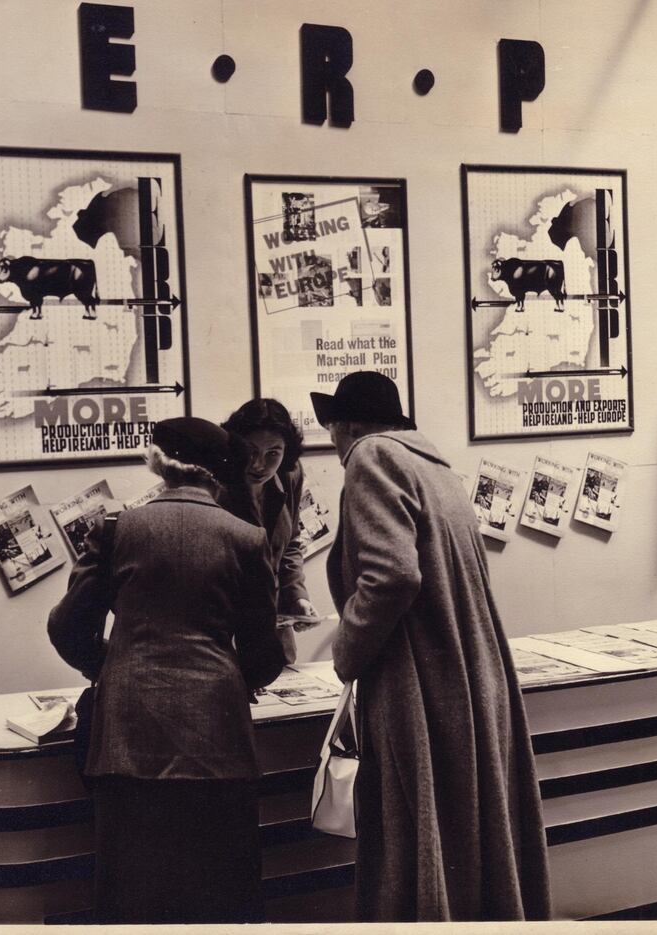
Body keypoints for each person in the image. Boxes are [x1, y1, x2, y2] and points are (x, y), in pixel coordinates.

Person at [310, 371, 552, 923]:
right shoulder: (434, 467)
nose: (335, 448)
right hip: (469, 676)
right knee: (471, 834)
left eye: (333, 433)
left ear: (345, 426)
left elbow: (392, 575)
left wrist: (347, 652)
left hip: (420, 682)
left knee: (419, 838)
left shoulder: (372, 456)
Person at [47, 417, 285, 924]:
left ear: (157, 463)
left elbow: (67, 628)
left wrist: (112, 666)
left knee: (133, 885)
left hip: (129, 731)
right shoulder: (247, 537)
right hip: (218, 731)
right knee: (221, 882)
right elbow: (266, 655)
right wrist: (234, 675)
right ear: (219, 474)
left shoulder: (115, 529)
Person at [220, 397, 319, 664]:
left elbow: (291, 544)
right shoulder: (216, 486)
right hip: (222, 632)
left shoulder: (290, 475)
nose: (258, 465)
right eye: (250, 451)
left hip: (274, 630)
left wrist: (296, 595)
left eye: (272, 453)